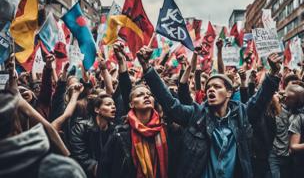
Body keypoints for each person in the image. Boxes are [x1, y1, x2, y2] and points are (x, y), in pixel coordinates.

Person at [136, 46, 281, 178]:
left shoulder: (242, 115)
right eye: (209, 87)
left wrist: (273, 72)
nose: (211, 89)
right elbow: (171, 105)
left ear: (229, 93)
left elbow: (259, 100)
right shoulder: (196, 115)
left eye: (217, 87)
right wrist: (147, 68)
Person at [98, 43, 170, 178]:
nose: (146, 96)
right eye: (140, 95)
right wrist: (121, 61)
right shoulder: (120, 134)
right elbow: (105, 169)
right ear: (131, 104)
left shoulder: (165, 130)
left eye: (149, 94)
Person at [70, 94, 116, 178]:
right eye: (108, 104)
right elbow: (79, 156)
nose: (113, 107)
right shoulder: (81, 127)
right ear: (97, 109)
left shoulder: (114, 130)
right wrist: (97, 169)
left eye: (113, 104)